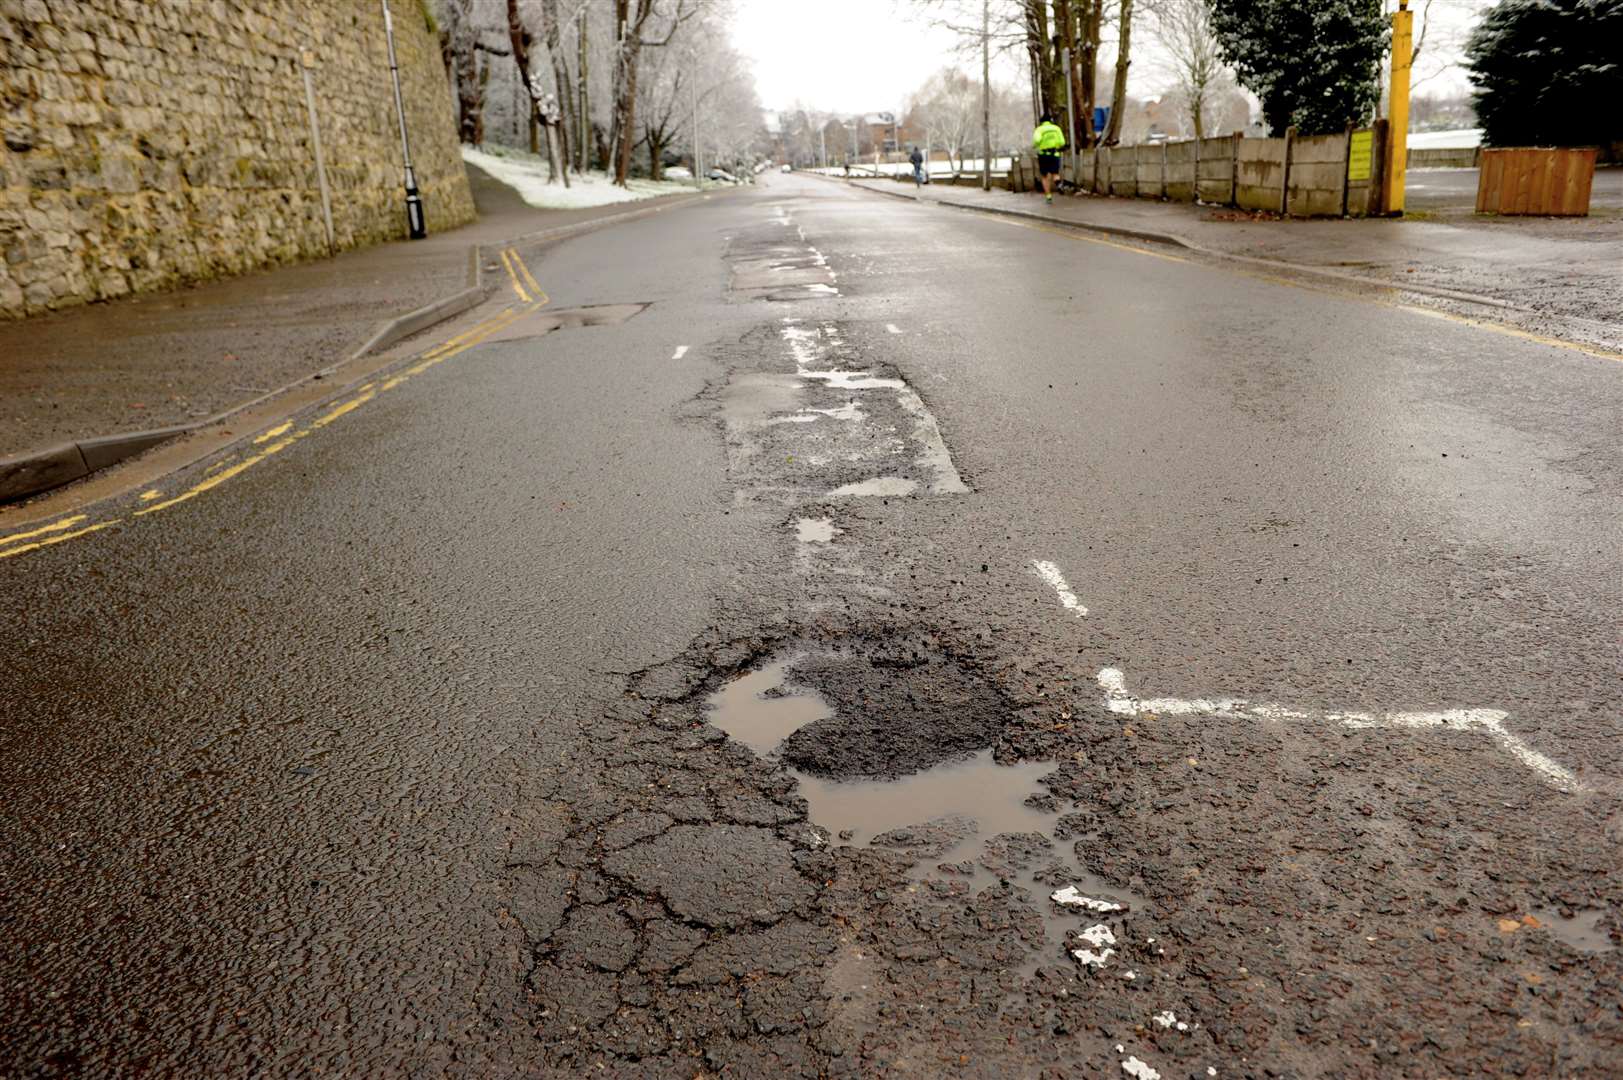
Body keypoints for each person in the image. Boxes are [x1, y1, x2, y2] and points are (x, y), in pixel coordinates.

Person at [1031, 113, 1067, 204]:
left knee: (1045, 176)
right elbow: (1062, 142)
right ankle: (1058, 183)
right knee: (1055, 173)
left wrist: (1036, 145)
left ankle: (1048, 197)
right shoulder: (1056, 128)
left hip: (1044, 155)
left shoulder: (1039, 129)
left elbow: (1036, 141)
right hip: (1055, 154)